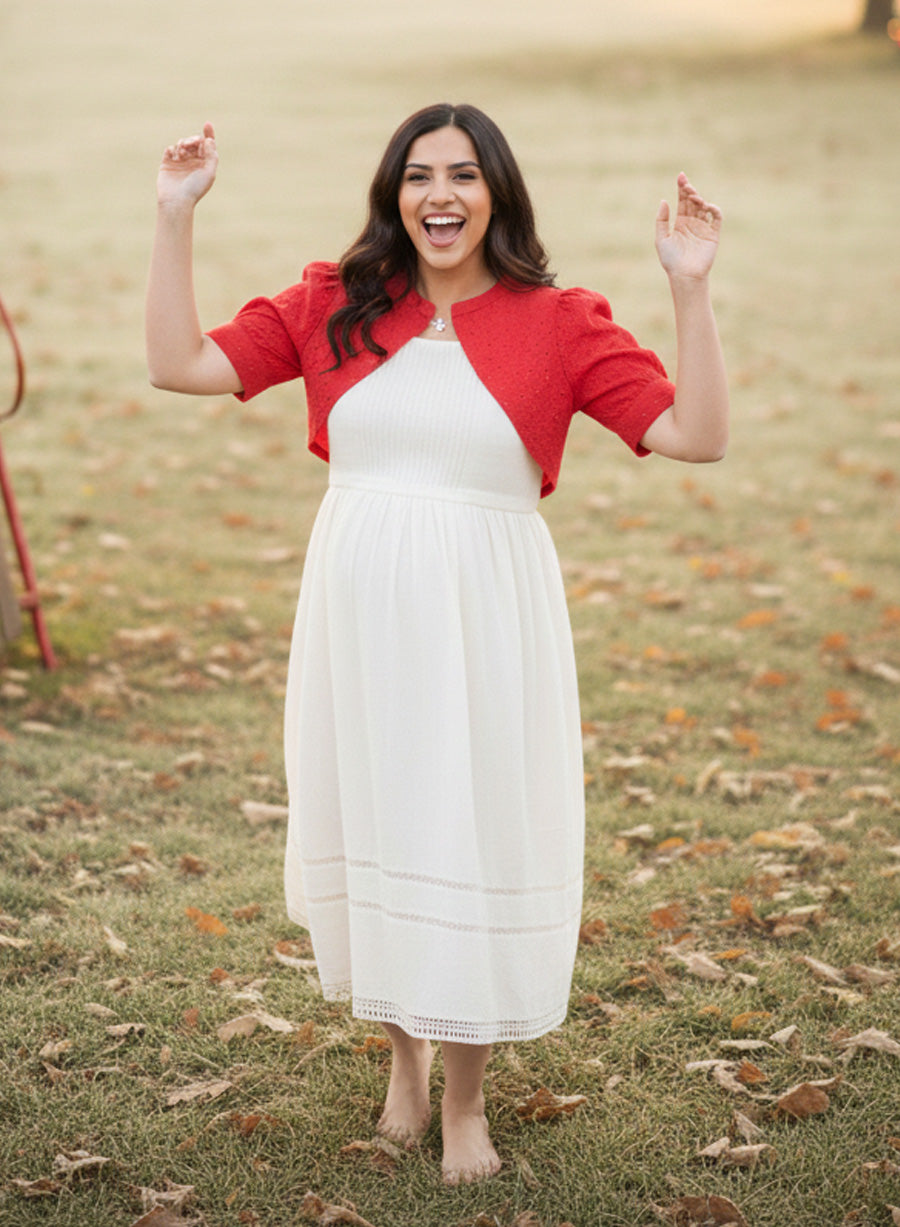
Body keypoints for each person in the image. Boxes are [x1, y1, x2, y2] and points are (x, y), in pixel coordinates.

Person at [146, 102, 728, 1185]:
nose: (441, 197)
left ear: (497, 192)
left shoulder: (559, 321)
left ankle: (466, 1104)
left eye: (464, 175)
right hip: (358, 614)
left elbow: (696, 436)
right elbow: (179, 364)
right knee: (384, 819)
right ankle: (403, 1063)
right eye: (419, 177)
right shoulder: (334, 302)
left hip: (483, 620)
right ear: (393, 194)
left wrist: (690, 288)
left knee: (466, 832)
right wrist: (175, 212)